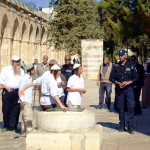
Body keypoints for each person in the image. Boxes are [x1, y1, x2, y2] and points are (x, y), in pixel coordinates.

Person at [109, 50, 138, 133]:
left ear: (125, 56)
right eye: (119, 55)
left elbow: (136, 77)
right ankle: (121, 125)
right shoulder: (115, 66)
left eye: (122, 55)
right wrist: (117, 82)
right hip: (119, 89)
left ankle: (130, 126)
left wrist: (128, 82)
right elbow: (111, 78)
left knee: (131, 107)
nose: (120, 57)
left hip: (129, 89)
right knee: (120, 108)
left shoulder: (131, 65)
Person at [0, 55, 24, 132]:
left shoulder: (21, 70)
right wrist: (6, 87)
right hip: (7, 92)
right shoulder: (6, 69)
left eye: (18, 61)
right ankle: (6, 126)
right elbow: (1, 79)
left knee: (16, 109)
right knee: (6, 109)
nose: (18, 63)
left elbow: (23, 81)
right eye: (16, 62)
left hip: (17, 92)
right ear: (12, 62)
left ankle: (13, 126)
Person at [19, 64, 35, 134]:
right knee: (28, 117)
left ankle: (25, 131)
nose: (34, 71)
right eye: (33, 70)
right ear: (30, 70)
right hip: (25, 100)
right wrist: (22, 100)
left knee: (26, 116)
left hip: (28, 100)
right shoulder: (25, 78)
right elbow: (21, 90)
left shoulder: (30, 78)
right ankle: (28, 131)